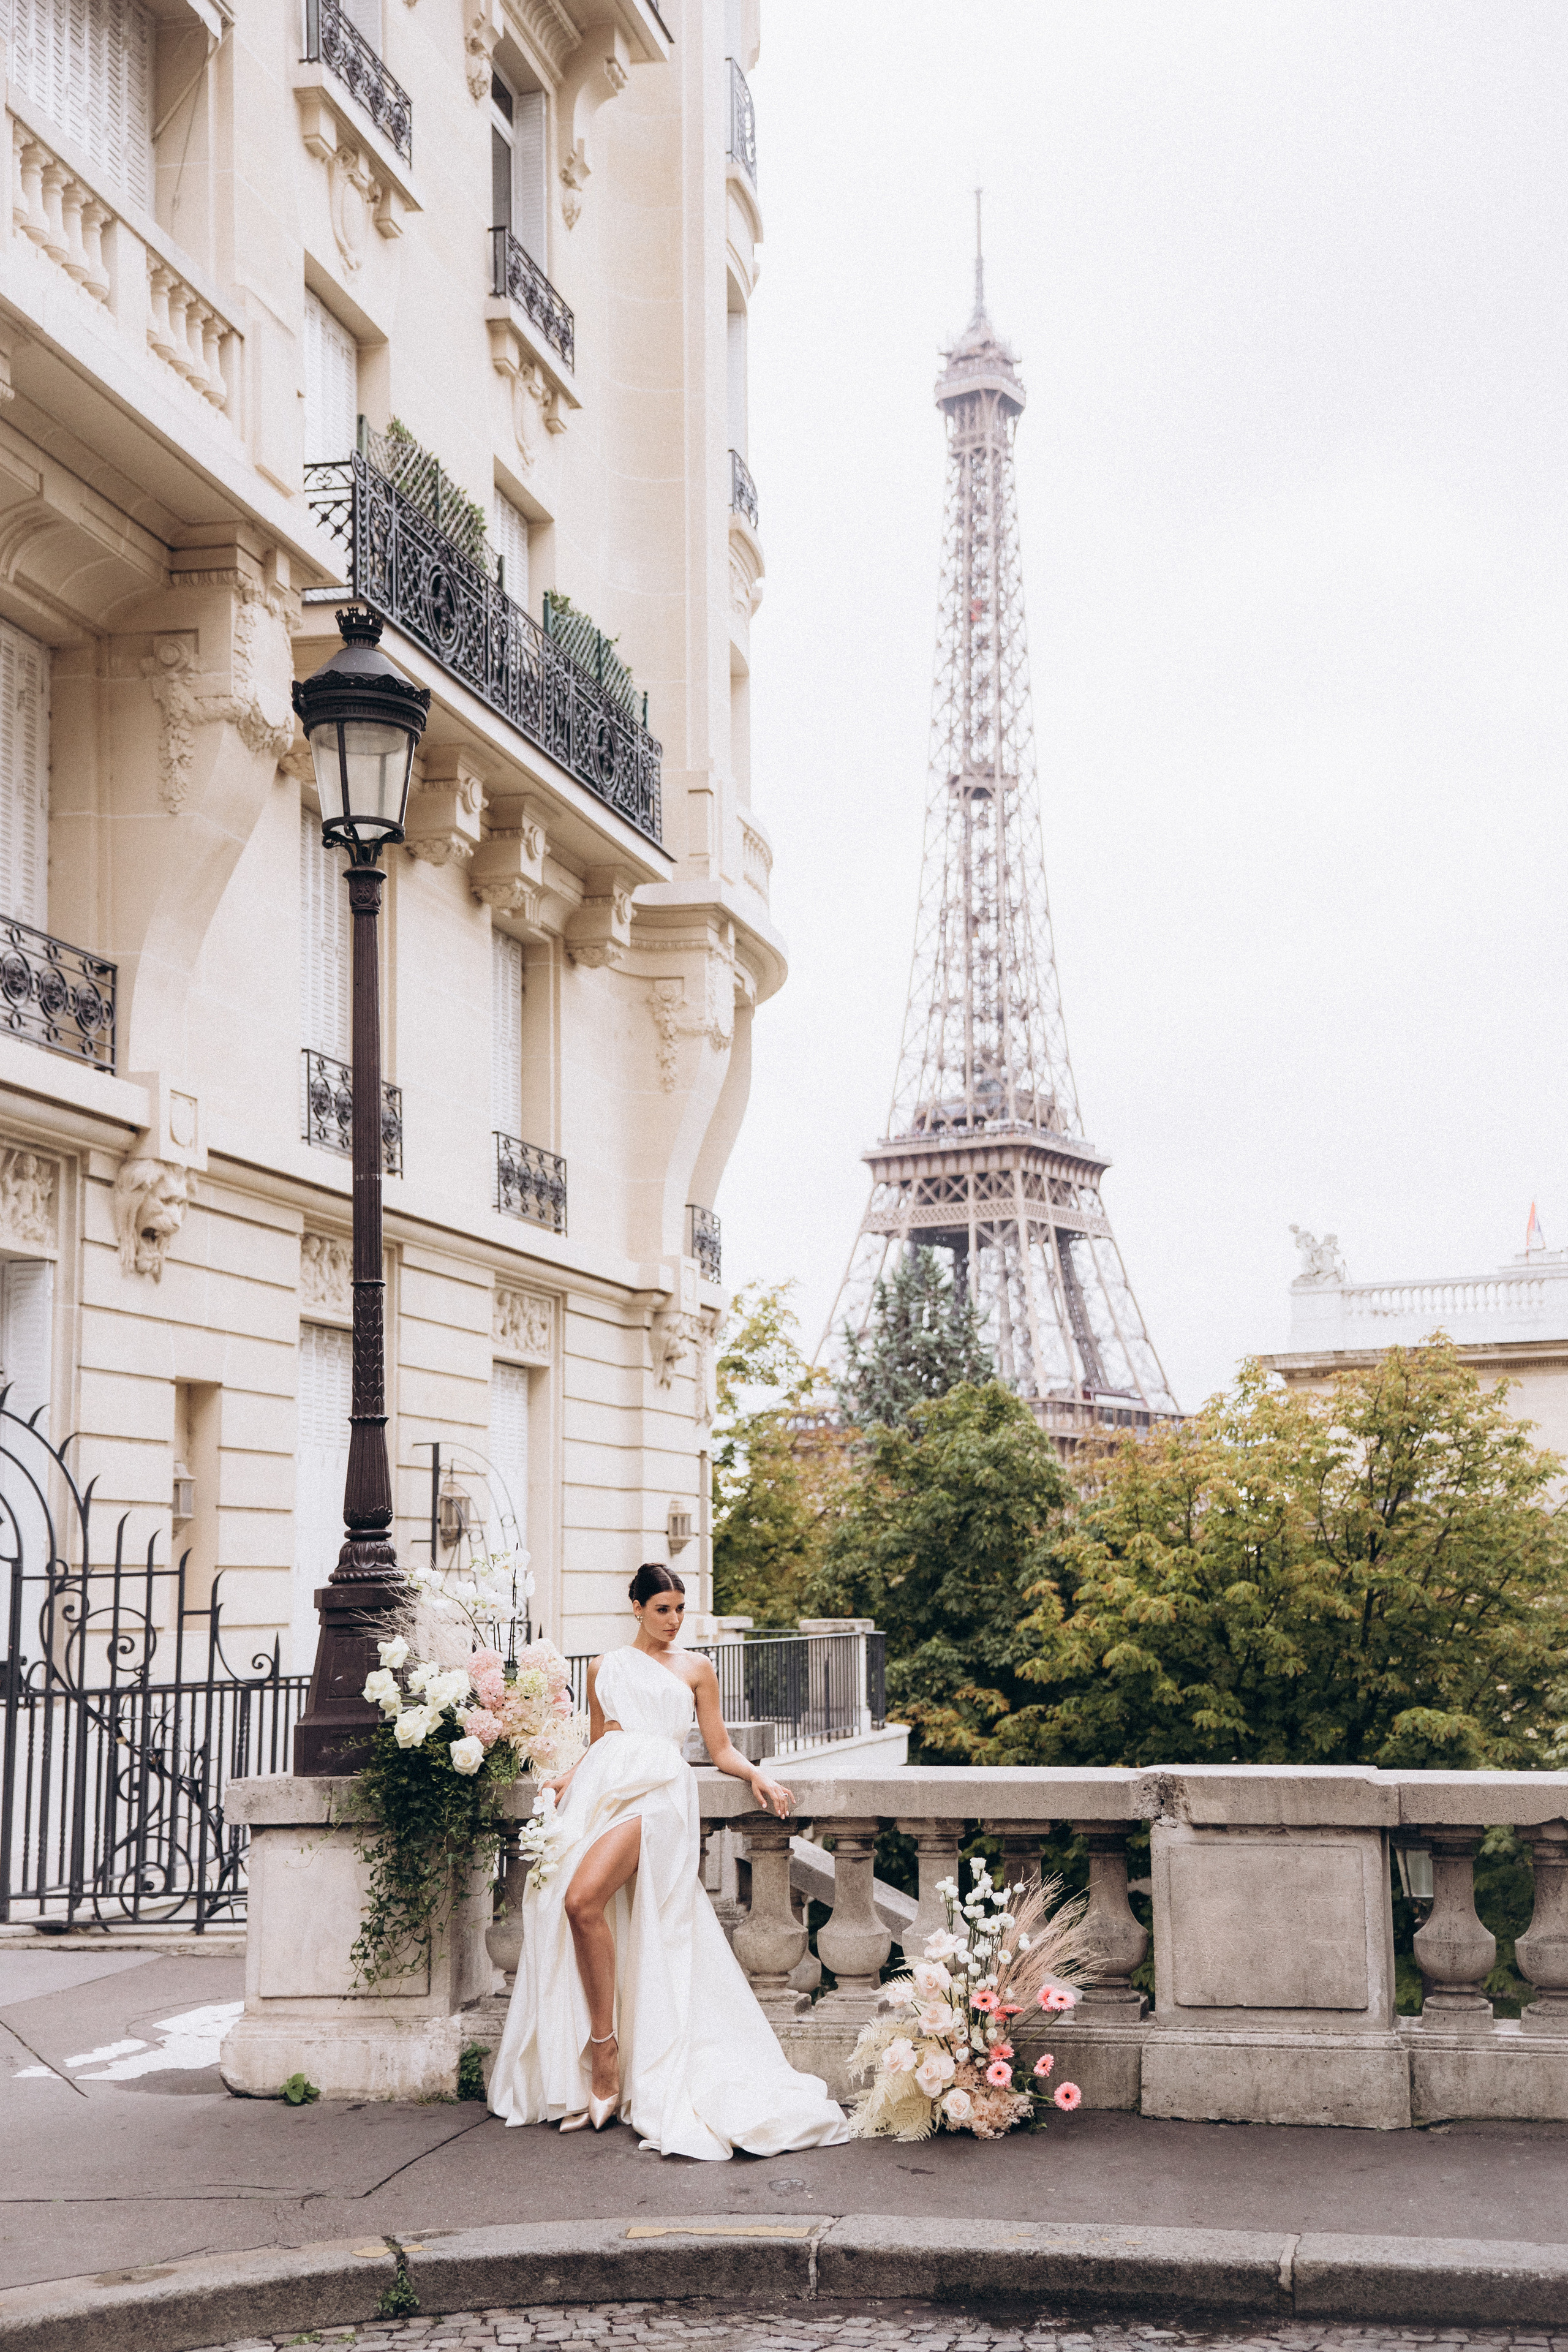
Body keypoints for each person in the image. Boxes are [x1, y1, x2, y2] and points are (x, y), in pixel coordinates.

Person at [488, 1563, 850, 2158]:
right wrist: (566, 1780)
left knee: (583, 1900)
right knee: (570, 1905)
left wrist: (756, 1773)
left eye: (680, 1608)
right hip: (603, 1791)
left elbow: (720, 1747)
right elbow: (602, 1739)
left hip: (658, 1796)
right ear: (636, 1608)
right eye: (662, 1609)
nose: (674, 1620)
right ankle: (603, 2051)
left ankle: (606, 2057)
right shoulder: (605, 1666)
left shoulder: (695, 1668)